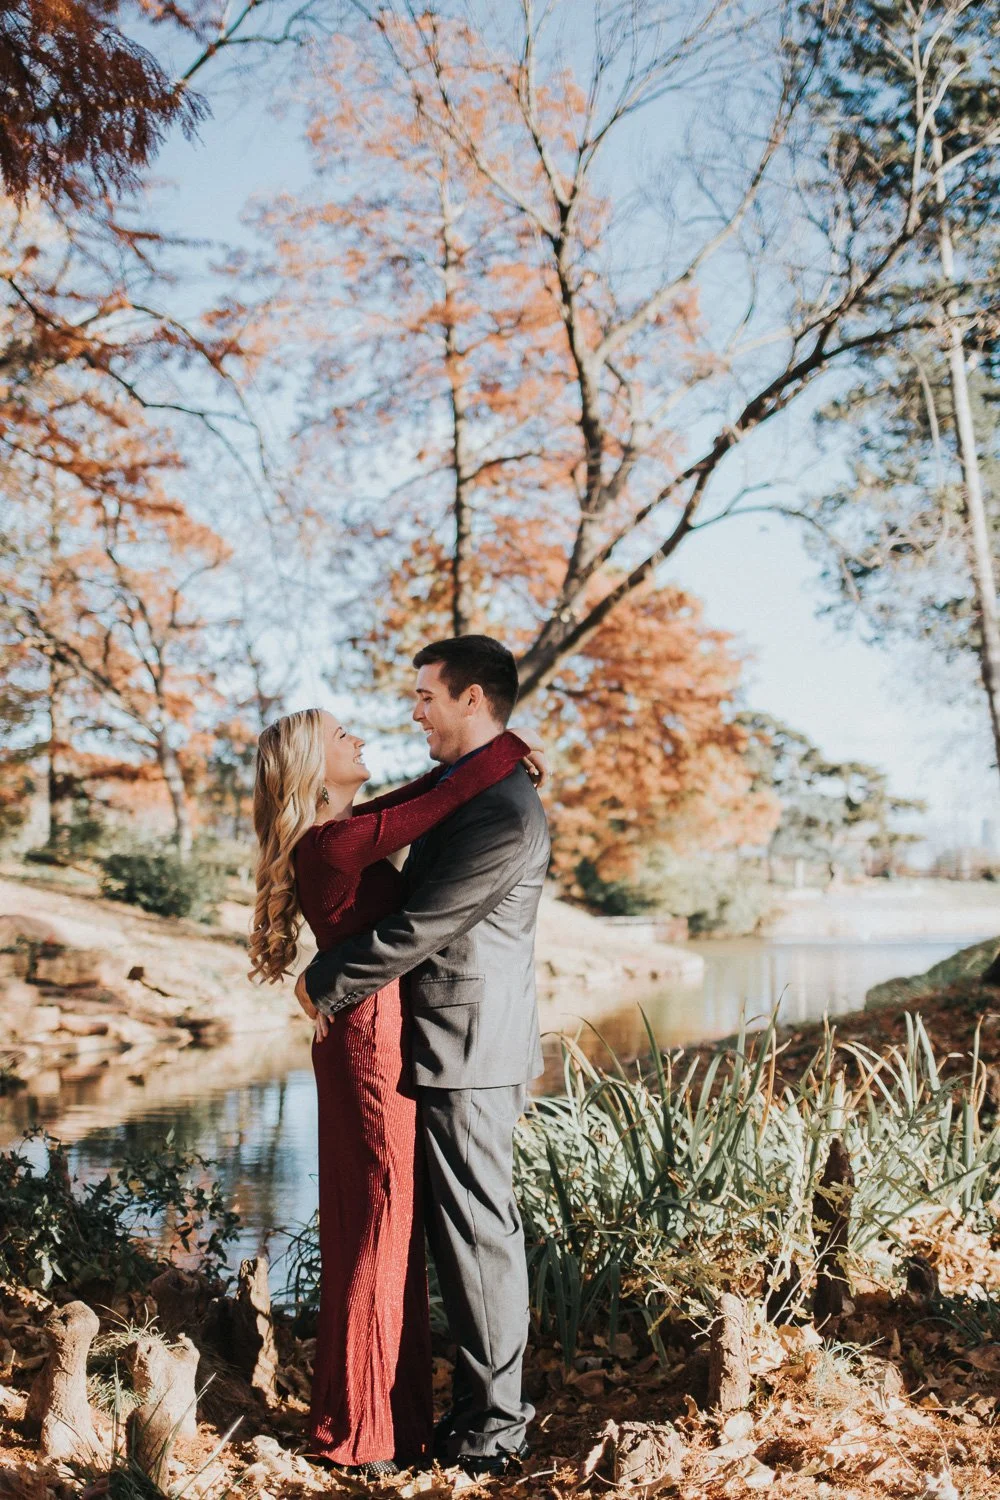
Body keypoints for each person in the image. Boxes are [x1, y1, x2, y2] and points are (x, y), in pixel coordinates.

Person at [249, 698, 542, 1478]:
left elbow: (424, 791)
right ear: (314, 771)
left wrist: (496, 757)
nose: (357, 737)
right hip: (370, 1045)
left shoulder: (341, 829)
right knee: (380, 1227)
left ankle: (393, 1423)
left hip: (379, 1035)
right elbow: (441, 797)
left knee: (385, 1227)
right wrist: (508, 747)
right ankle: (362, 1434)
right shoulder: (337, 841)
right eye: (339, 736)